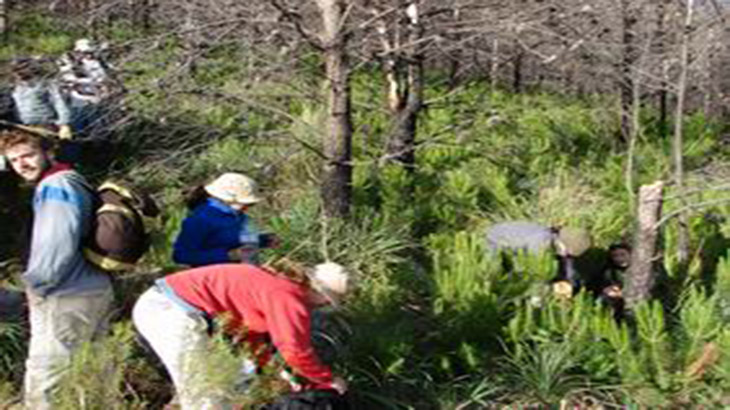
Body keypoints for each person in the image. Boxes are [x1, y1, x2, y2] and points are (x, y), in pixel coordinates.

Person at [132, 260, 349, 409]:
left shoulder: (277, 282)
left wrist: (273, 372)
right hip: (170, 312)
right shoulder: (288, 296)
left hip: (167, 307)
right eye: (326, 303)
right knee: (202, 393)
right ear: (321, 294)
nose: (321, 308)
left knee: (212, 385)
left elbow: (250, 337)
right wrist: (328, 380)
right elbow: (294, 349)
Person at [0, 129, 113, 409]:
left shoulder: (56, 187)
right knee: (93, 372)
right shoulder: (73, 181)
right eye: (14, 160)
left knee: (47, 375)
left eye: (28, 155)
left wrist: (34, 286)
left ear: (49, 153)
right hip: (92, 286)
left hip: (65, 294)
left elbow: (55, 244)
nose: (22, 164)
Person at [173, 172, 278, 267]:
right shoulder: (200, 219)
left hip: (238, 273)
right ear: (227, 199)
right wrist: (228, 255)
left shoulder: (241, 217)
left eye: (251, 204)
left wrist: (264, 240)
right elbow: (182, 256)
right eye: (246, 203)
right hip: (212, 278)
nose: (248, 207)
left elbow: (239, 241)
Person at [485, 221, 592, 296]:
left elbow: (569, 265)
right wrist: (547, 290)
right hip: (497, 239)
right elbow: (537, 272)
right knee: (496, 271)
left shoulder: (559, 241)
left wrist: (570, 283)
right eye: (567, 252)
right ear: (561, 241)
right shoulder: (539, 244)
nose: (566, 255)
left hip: (520, 239)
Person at [10, 58, 73, 140]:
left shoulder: (45, 83)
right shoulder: (14, 86)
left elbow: (58, 102)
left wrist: (64, 124)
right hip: (22, 127)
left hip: (45, 126)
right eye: (16, 70)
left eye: (22, 69)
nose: (19, 72)